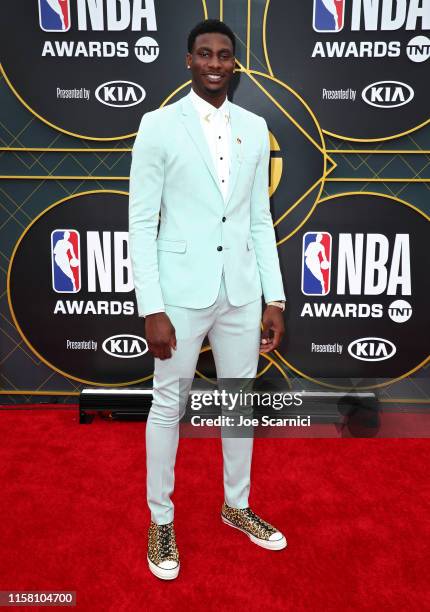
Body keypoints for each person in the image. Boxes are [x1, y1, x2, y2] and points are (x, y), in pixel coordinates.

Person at [129, 19, 287, 581]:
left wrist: (276, 298)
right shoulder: (157, 126)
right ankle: (160, 519)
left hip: (242, 292)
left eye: (224, 54)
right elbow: (142, 220)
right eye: (204, 53)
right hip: (179, 294)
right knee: (167, 406)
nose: (215, 62)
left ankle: (237, 506)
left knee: (239, 402)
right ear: (189, 60)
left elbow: (259, 219)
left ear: (235, 63)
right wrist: (153, 306)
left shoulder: (255, 125)